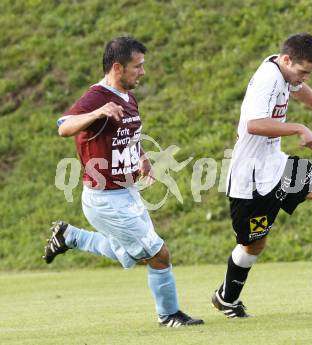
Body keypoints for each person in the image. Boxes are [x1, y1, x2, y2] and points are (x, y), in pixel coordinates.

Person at [43, 36, 203, 328]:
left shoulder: (129, 97)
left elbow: (128, 135)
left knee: (132, 256)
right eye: (137, 66)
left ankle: (70, 237)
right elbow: (64, 127)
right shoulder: (97, 97)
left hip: (126, 192)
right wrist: (97, 112)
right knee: (159, 253)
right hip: (105, 198)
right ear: (117, 67)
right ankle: (169, 314)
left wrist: (141, 157)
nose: (142, 72)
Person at [211, 33, 312, 318]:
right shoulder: (268, 79)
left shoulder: (285, 73)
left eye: (309, 73)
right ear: (286, 60)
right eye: (302, 71)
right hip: (252, 179)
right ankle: (227, 298)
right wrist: (298, 128)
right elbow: (254, 125)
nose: (304, 78)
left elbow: (298, 89)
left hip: (276, 165)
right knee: (253, 245)